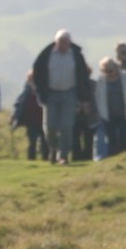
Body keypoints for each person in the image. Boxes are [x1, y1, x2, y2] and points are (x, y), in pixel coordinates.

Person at [30, 29, 90, 164]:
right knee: (50, 126)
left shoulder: (76, 55)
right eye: (60, 42)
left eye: (65, 42)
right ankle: (52, 149)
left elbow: (83, 76)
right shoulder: (47, 55)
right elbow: (37, 73)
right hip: (51, 94)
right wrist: (40, 91)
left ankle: (63, 155)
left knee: (67, 126)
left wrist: (84, 99)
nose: (63, 45)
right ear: (56, 42)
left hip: (70, 93)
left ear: (69, 43)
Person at [93, 59, 126, 158]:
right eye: (105, 71)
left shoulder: (124, 77)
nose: (108, 73)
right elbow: (98, 98)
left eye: (110, 70)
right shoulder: (101, 80)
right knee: (111, 137)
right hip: (109, 114)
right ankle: (113, 156)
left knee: (123, 136)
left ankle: (124, 156)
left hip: (123, 112)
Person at [11, 69, 44, 160]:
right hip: (31, 121)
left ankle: (46, 158)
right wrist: (14, 116)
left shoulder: (43, 92)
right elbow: (18, 104)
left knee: (45, 141)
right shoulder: (26, 93)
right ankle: (31, 158)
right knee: (32, 141)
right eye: (31, 80)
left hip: (43, 120)